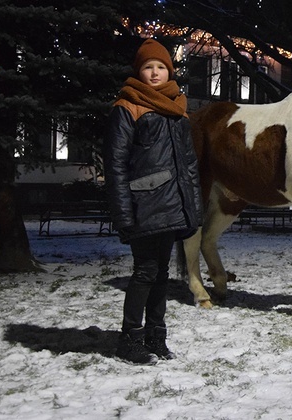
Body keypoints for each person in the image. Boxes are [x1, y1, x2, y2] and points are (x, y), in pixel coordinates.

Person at [104, 38, 202, 364]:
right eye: (149, 67)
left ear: (169, 71)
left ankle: (155, 336)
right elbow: (116, 163)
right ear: (139, 71)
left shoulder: (178, 108)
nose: (155, 72)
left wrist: (193, 210)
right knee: (145, 272)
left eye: (161, 66)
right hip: (143, 205)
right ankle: (129, 340)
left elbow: (188, 167)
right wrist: (123, 213)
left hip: (172, 206)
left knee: (161, 274)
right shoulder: (128, 105)